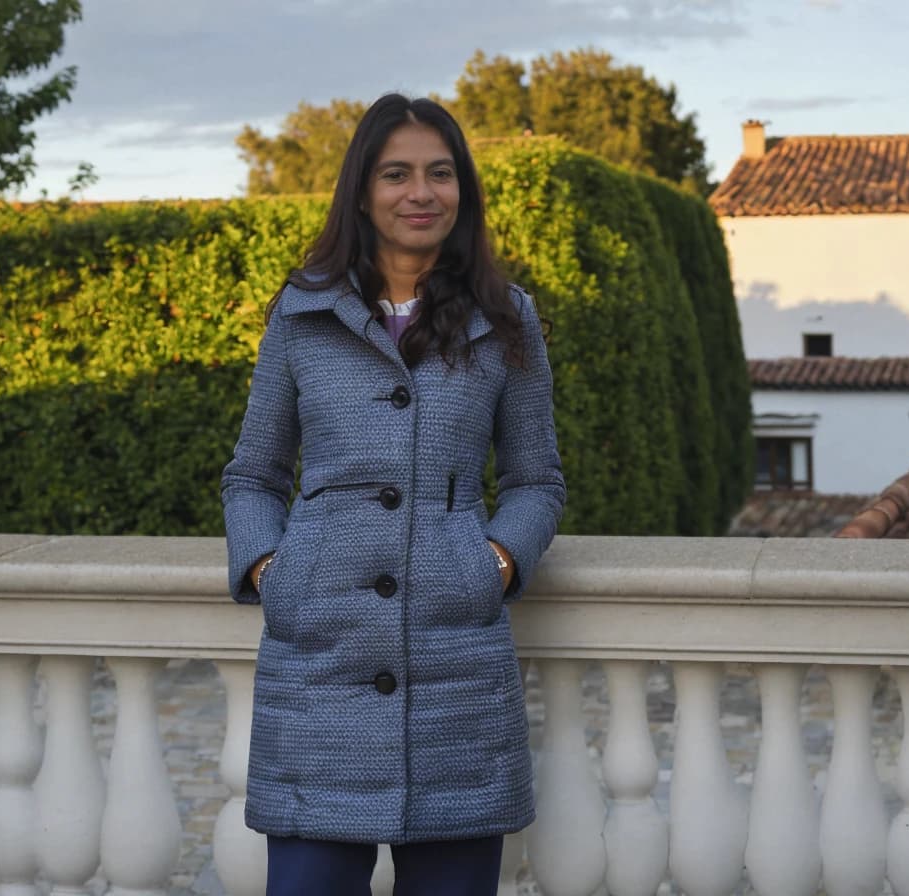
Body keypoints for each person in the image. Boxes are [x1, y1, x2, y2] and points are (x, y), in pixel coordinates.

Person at [220, 93, 565, 896]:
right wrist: (274, 572)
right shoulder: (301, 315)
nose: (422, 193)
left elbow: (536, 479)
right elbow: (253, 475)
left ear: (463, 191)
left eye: (440, 174)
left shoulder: (505, 318)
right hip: (319, 672)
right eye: (398, 173)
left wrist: (497, 561)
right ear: (363, 191)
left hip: (457, 674)